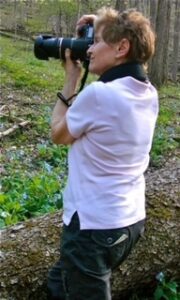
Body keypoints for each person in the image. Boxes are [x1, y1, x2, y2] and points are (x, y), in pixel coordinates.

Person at [47, 7, 159, 300]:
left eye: (95, 41)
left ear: (122, 47)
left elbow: (58, 134)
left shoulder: (99, 95)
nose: (89, 49)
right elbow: (127, 36)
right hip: (129, 220)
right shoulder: (148, 93)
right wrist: (101, 23)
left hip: (92, 228)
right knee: (59, 282)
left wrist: (71, 78)